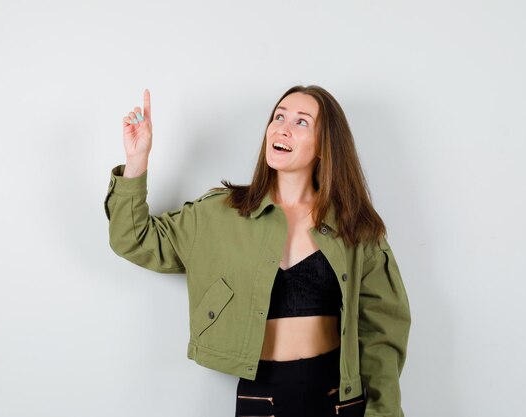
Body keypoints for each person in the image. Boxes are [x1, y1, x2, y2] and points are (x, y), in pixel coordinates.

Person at [104, 85, 411, 417]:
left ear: (324, 146)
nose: (283, 127)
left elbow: (383, 331)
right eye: (278, 116)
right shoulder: (221, 213)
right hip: (261, 400)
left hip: (338, 398)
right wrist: (137, 162)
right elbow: (133, 239)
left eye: (301, 122)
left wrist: (383, 411)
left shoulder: (354, 226)